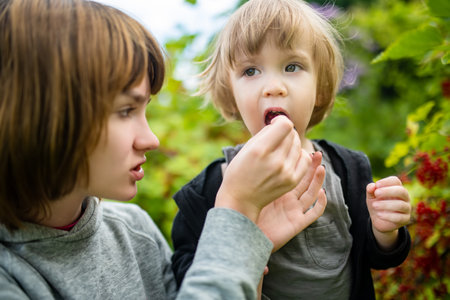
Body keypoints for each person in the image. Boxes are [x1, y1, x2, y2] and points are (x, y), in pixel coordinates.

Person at [0, 0, 328, 299]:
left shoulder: (134, 233)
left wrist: (249, 247)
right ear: (42, 114)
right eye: (126, 110)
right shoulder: (10, 276)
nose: (151, 139)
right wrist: (237, 210)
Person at [170, 0, 412, 299]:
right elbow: (194, 281)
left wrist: (386, 230)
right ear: (230, 94)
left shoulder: (348, 169)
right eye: (250, 71)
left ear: (320, 88)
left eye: (292, 67)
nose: (274, 86)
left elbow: (376, 256)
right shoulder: (208, 192)